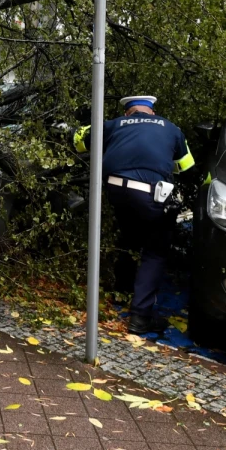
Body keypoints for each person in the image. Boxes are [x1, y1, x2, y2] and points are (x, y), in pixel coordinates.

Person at [73, 95, 195, 335]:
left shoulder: (113, 124)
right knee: (155, 250)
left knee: (128, 235)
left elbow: (79, 141)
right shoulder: (171, 128)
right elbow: (188, 167)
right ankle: (140, 317)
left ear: (128, 112)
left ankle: (121, 291)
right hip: (151, 194)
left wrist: (89, 124)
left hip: (116, 190)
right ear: (152, 112)